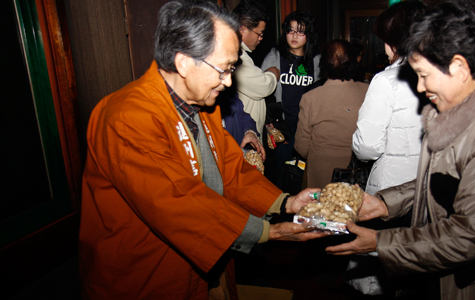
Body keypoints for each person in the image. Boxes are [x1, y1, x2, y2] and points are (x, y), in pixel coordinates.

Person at [79, 1, 328, 299]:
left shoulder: (202, 103)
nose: (228, 81)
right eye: (224, 69)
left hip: (204, 261)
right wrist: (268, 232)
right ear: (184, 62)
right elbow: (175, 203)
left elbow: (231, 169)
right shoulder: (126, 117)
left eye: (233, 68)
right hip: (145, 271)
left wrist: (285, 203)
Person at [326, 1, 475, 299]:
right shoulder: (461, 115)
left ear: (459, 68)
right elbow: (442, 181)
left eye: (423, 74)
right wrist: (386, 203)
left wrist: (381, 242)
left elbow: (470, 236)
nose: (420, 88)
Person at [353, 0, 427, 196]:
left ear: (396, 42)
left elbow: (367, 147)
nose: (385, 48)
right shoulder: (441, 75)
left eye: (386, 41)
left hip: (392, 187)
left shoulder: (386, 81)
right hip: (428, 184)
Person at [294, 39, 368, 189]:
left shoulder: (310, 98)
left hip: (321, 175)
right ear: (353, 62)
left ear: (323, 64)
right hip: (357, 174)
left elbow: (301, 147)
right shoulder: (368, 92)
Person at [260, 10, 321, 190]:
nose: (294, 35)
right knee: (282, 176)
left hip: (307, 129)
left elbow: (320, 96)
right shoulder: (275, 56)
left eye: (300, 31)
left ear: (308, 35)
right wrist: (271, 125)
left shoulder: (315, 60)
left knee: (306, 177)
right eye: (291, 30)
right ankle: (283, 213)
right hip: (283, 129)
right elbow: (263, 92)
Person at [232, 0, 279, 138]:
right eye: (259, 33)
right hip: (243, 135)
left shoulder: (243, 53)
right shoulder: (237, 55)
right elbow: (263, 86)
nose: (261, 38)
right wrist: (272, 74)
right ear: (243, 29)